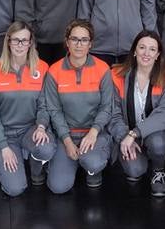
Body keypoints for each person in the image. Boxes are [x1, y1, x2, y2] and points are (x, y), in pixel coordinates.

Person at [40, 19, 116, 192]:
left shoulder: (102, 69)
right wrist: (66, 141)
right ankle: (71, 161)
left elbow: (106, 107)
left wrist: (93, 132)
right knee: (58, 187)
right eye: (74, 39)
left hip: (94, 135)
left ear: (90, 44)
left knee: (92, 162)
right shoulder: (54, 71)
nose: (79, 44)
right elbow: (54, 110)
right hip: (66, 134)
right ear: (67, 42)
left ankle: (91, 166)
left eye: (84, 40)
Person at [0, 22, 58, 196]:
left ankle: (34, 157)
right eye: (16, 40)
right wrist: (3, 147)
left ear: (30, 43)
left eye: (24, 41)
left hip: (30, 130)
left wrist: (41, 126)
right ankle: (7, 158)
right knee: (14, 189)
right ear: (8, 42)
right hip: (5, 134)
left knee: (46, 148)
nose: (20, 45)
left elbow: (44, 104)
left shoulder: (42, 68)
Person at [107, 30, 165, 196]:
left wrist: (135, 133)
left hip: (155, 133)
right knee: (135, 171)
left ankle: (158, 172)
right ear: (134, 51)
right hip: (126, 133)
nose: (146, 53)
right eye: (142, 47)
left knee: (158, 144)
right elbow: (113, 114)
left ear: (158, 54)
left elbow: (164, 115)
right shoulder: (117, 76)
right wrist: (125, 136)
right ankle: (140, 157)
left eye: (152, 49)